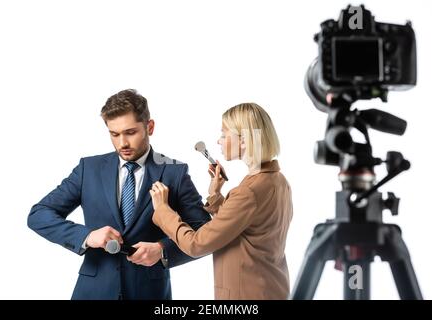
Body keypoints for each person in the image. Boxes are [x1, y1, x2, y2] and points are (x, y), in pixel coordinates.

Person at [27, 89, 211, 300]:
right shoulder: (89, 168)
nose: (122, 143)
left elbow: (204, 233)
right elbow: (39, 214)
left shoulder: (174, 172)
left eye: (130, 132)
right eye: (114, 134)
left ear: (149, 127)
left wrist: (162, 250)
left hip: (150, 293)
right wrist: (87, 236)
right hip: (93, 292)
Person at [150, 103, 293, 299]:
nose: (219, 141)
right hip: (271, 288)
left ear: (243, 141)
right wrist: (216, 194)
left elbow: (196, 244)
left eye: (224, 135)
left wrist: (162, 210)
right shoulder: (277, 180)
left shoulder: (248, 192)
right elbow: (245, 227)